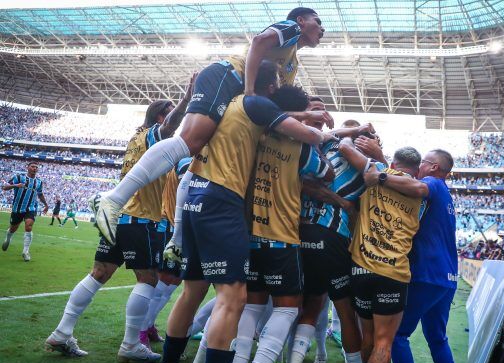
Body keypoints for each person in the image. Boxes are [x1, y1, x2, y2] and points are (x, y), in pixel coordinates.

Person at [150, 61, 328, 363]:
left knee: (192, 293)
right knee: (234, 299)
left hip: (196, 199)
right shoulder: (258, 106)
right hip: (223, 201)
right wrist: (321, 127)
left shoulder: (225, 108)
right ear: (271, 88)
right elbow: (313, 142)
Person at [91, 7, 331, 247]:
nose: (322, 29)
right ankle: (113, 199)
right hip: (226, 77)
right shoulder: (290, 28)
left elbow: (270, 106)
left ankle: (177, 240)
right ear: (301, 21)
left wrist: (301, 113)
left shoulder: (292, 63)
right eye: (317, 22)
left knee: (200, 159)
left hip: (235, 98)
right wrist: (248, 91)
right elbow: (258, 42)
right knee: (190, 141)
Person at [45, 77, 194, 361]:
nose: (178, 118)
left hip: (117, 215)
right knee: (147, 278)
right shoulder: (154, 134)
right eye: (172, 112)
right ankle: (130, 346)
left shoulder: (134, 138)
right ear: (161, 116)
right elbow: (169, 127)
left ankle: (62, 332)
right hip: (140, 217)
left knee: (99, 272)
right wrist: (186, 100)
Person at [224, 85, 334, 363]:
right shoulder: (302, 143)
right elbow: (325, 174)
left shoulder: (254, 133)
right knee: (288, 308)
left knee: (253, 305)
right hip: (282, 234)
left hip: (248, 234)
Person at [283, 114, 385, 363]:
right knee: (345, 314)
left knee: (307, 306)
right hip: (331, 237)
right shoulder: (371, 170)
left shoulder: (324, 149)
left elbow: (305, 180)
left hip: (300, 233)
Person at [340, 143, 423, 363]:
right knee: (384, 341)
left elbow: (344, 147)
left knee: (368, 337)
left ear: (394, 165)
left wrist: (360, 142)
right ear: (417, 170)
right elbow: (408, 181)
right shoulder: (417, 190)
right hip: (394, 272)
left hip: (362, 269)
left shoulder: (374, 175)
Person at [390, 149, 462, 363]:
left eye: (423, 162)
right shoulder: (446, 195)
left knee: (397, 334)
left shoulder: (431, 183)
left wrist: (379, 176)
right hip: (448, 277)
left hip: (426, 274)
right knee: (437, 338)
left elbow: (417, 189)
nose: (418, 166)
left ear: (433, 167)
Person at [139, 157, 193, 350]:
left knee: (172, 282)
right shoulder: (188, 160)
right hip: (169, 226)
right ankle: (141, 330)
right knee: (162, 282)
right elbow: (187, 187)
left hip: (180, 227)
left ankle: (149, 324)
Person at [2, 161, 49, 261]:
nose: (34, 168)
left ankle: (25, 251)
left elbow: (40, 194)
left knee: (28, 226)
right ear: (27, 168)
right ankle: (8, 239)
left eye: (36, 167)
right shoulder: (19, 177)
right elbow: (4, 187)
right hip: (17, 208)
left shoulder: (39, 182)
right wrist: (16, 185)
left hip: (31, 208)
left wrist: (46, 204)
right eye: (32, 166)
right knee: (13, 228)